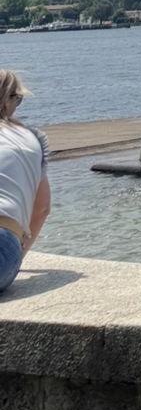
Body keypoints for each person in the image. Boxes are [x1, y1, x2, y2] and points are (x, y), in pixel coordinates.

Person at [0, 70, 52, 294]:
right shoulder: (33, 139)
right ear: (9, 99)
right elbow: (42, 209)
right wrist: (17, 257)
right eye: (18, 98)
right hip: (6, 246)